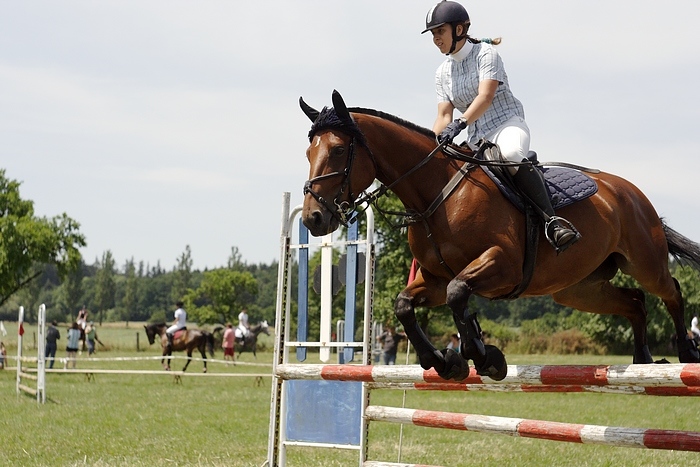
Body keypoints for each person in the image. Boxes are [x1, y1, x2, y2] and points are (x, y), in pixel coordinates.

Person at [423, 1, 579, 252]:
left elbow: (485, 97)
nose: (436, 39)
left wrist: (460, 123)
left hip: (506, 125)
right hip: (477, 137)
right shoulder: (442, 73)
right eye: (433, 34)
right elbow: (443, 115)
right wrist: (430, 147)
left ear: (459, 30)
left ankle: (552, 222)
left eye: (440, 31)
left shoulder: (486, 54)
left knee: (511, 155)